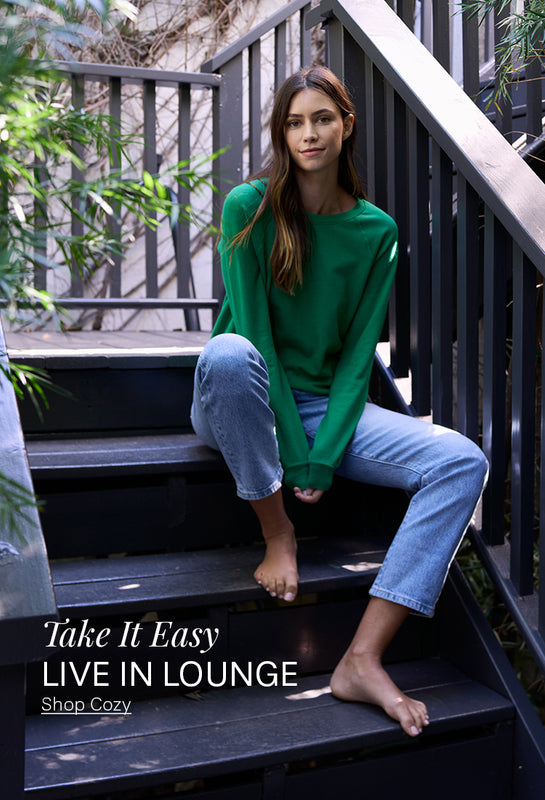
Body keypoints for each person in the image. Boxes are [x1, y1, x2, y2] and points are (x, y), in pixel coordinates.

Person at [191, 65, 488, 738]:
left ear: (345, 124)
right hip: (241, 396)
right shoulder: (249, 206)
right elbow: (254, 334)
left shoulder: (374, 230)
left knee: (460, 461)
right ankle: (277, 534)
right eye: (293, 122)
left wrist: (324, 457)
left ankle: (361, 658)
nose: (307, 133)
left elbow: (359, 355)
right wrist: (297, 461)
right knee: (228, 354)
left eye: (320, 118)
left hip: (326, 407)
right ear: (280, 132)